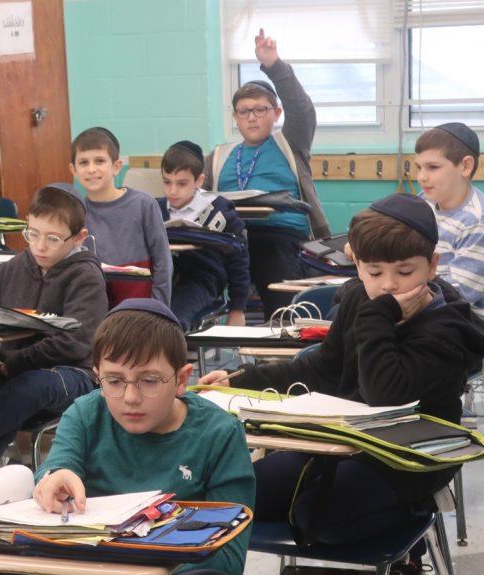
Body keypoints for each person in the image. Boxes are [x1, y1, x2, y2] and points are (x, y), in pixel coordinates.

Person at [199, 194, 484, 564]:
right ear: (358, 265)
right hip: (346, 439)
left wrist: (378, 315)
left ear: (432, 266)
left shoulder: (444, 329)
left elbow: (385, 394)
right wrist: (240, 380)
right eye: (375, 272)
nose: (389, 286)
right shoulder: (359, 300)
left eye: (405, 272)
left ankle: (414, 530)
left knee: (318, 520)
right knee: (243, 496)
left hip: (412, 457)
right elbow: (321, 370)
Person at [35, 299, 254, 575]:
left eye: (149, 380)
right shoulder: (84, 415)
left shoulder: (220, 434)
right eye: (114, 381)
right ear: (98, 377)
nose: (130, 398)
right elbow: (58, 466)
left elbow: (226, 555)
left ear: (181, 380)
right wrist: (55, 476)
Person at [0, 185, 108, 470]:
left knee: (25, 388)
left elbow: (72, 344)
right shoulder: (23, 262)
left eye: (52, 238)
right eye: (32, 234)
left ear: (79, 237)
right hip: (17, 372)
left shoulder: (85, 276)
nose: (40, 246)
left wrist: (8, 368)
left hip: (73, 374)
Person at [205, 29, 330, 320]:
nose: (251, 117)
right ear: (235, 117)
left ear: (277, 112)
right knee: (192, 264)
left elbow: (302, 109)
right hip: (229, 237)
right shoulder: (219, 156)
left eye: (260, 110)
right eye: (244, 111)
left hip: (280, 236)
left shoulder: (290, 143)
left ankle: (280, 333)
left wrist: (273, 65)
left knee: (269, 256)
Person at [71, 127, 172, 306]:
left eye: (100, 161)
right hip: (97, 312)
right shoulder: (76, 214)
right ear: (74, 170)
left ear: (116, 167)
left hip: (140, 311)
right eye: (84, 162)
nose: (91, 169)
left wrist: (158, 310)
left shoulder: (144, 205)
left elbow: (163, 264)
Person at [158, 141, 250, 329]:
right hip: (161, 277)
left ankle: (171, 346)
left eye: (182, 184)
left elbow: (238, 261)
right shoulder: (155, 208)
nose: (172, 191)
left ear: (199, 181)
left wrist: (238, 309)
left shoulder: (219, 210)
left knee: (172, 320)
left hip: (201, 279)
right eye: (167, 182)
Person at [415, 122, 484, 319]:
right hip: (423, 300)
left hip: (463, 319)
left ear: (466, 166)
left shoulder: (477, 221)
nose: (421, 177)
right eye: (419, 167)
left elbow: (459, 295)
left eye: (433, 167)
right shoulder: (424, 201)